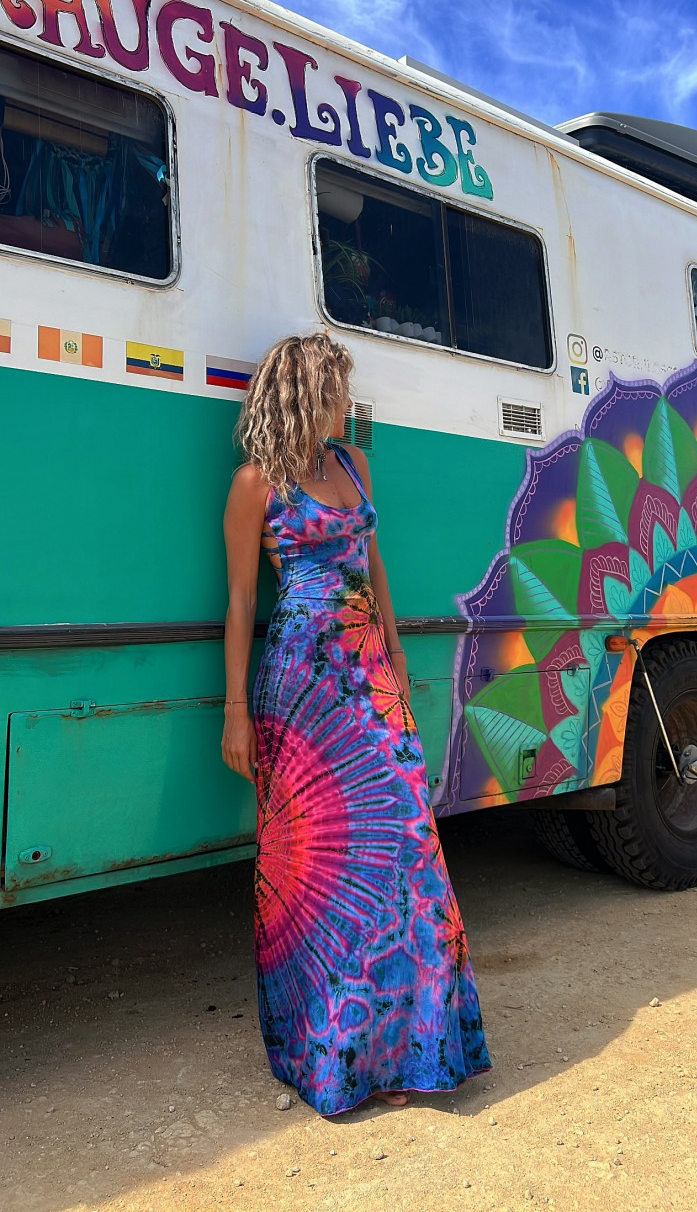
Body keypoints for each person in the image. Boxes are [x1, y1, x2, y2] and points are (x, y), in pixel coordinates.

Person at [221, 332, 491, 1116]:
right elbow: (242, 600)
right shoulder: (255, 484)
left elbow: (376, 569)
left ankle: (412, 1047)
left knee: (406, 841)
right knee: (320, 865)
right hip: (300, 690)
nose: (349, 402)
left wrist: (398, 657)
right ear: (309, 395)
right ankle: (336, 1054)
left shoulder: (354, 465)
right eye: (339, 389)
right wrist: (235, 711)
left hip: (367, 674)